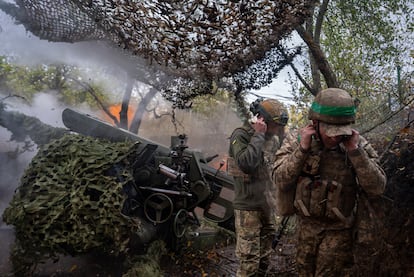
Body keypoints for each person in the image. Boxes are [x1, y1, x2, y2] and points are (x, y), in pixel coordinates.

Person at [272, 88, 386, 276]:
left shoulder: (357, 145)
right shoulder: (297, 140)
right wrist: (302, 150)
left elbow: (377, 188)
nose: (334, 137)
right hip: (306, 227)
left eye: (340, 132)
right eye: (329, 131)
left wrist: (355, 152)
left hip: (339, 230)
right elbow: (280, 180)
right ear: (314, 123)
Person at [227, 98, 289, 276]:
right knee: (249, 261)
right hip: (248, 207)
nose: (277, 130)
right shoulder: (241, 135)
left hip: (267, 205)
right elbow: (247, 164)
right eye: (275, 125)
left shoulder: (273, 139)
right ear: (262, 120)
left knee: (265, 257)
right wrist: (259, 135)